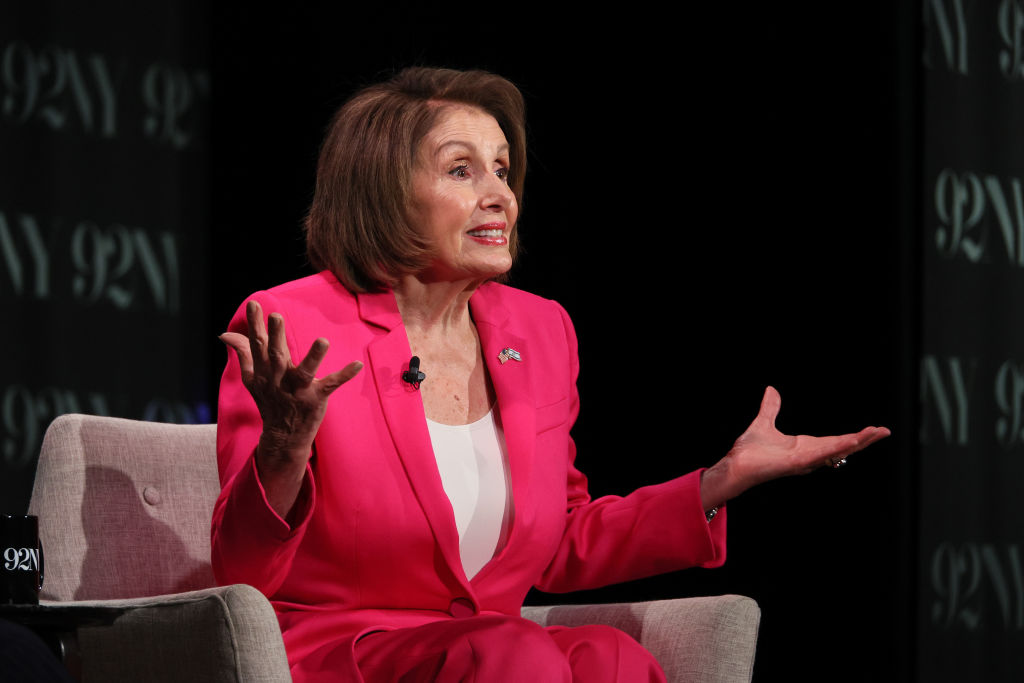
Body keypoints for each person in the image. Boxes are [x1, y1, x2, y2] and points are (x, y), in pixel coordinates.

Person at [213, 66, 890, 682]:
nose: (499, 195)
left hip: (489, 654)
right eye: (461, 171)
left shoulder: (539, 331)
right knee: (515, 652)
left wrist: (719, 482)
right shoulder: (291, 324)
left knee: (613, 659)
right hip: (347, 654)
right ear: (383, 190)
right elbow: (241, 574)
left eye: (503, 171)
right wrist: (285, 445)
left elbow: (559, 539)